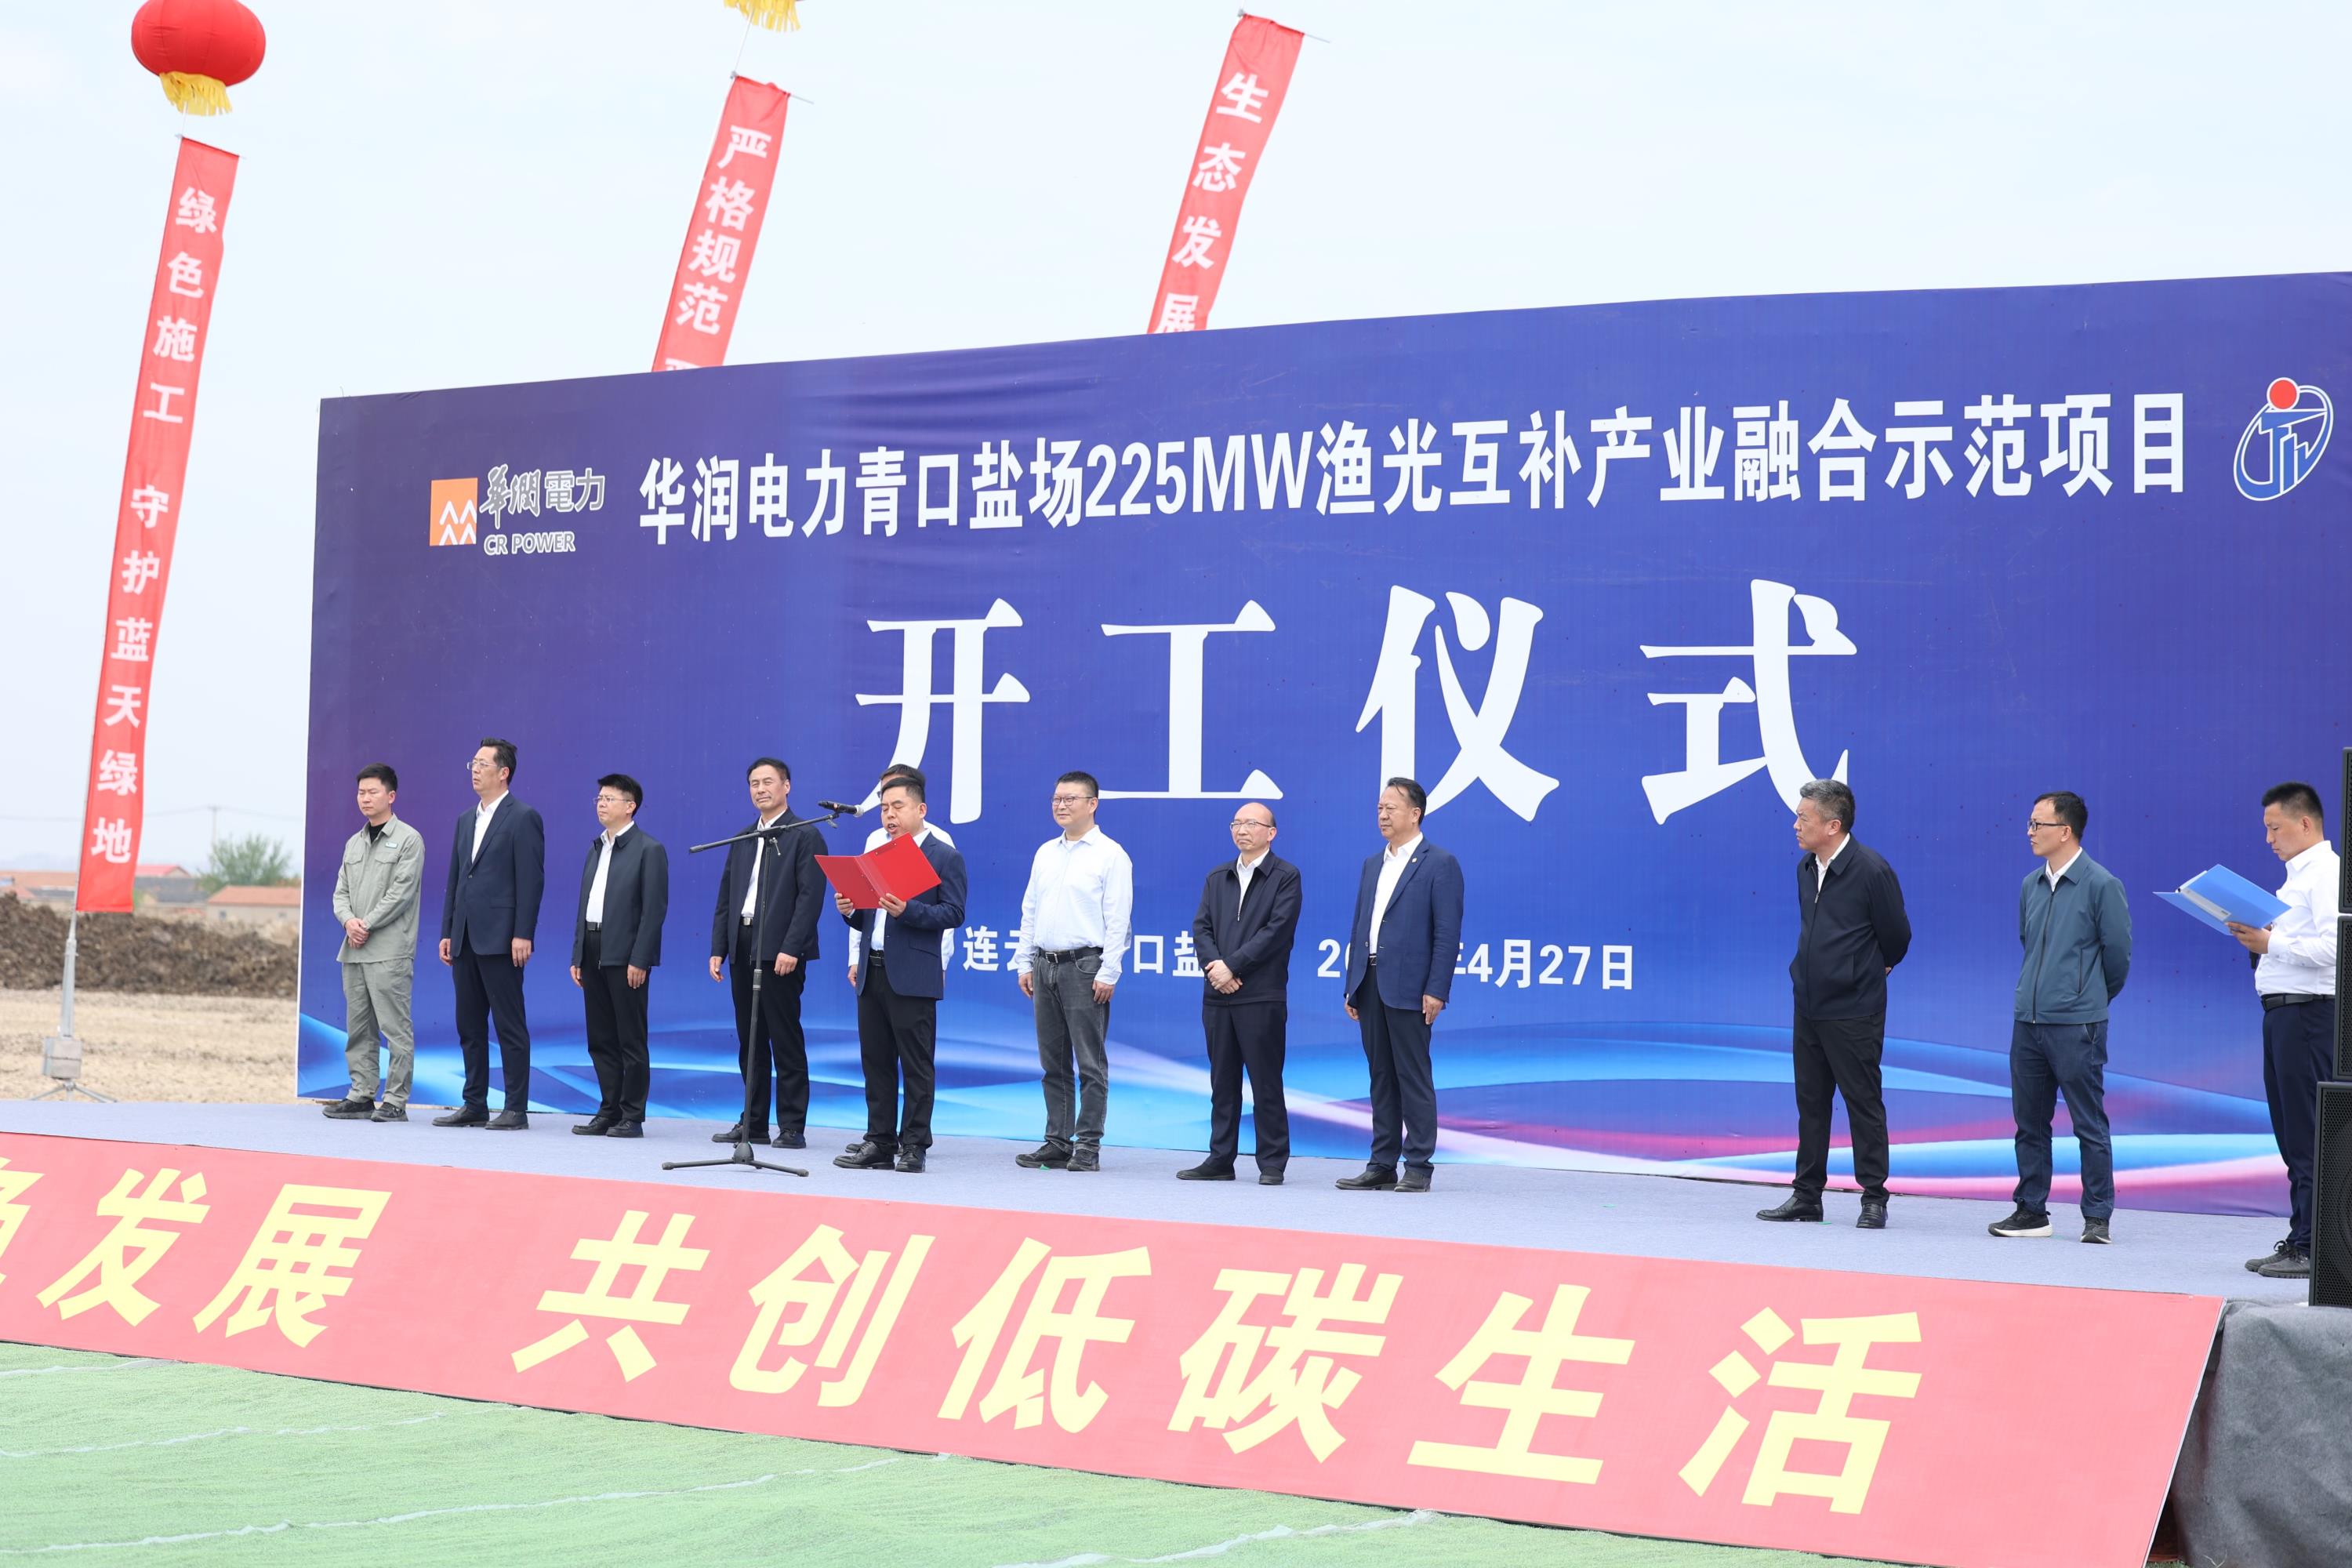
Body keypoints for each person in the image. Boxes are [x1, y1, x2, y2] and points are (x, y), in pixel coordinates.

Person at [1759, 778, 1911, 1228]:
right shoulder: (1806, 868)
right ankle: (1807, 1195)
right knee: (1811, 1102)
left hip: (1855, 1008)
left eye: (1804, 818)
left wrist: (1867, 970)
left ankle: (1874, 1197)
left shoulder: (1871, 871)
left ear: (1833, 825)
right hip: (1808, 1004)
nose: (1796, 825)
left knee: (1863, 1101)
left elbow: (1897, 936)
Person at [1988, 791, 2132, 1243]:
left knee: (2089, 1123)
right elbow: (2027, 942)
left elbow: (2118, 956)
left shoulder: (2101, 884)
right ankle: (2031, 1210)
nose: (2030, 832)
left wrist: (2085, 997)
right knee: (2029, 1123)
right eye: (2030, 824)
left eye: (2039, 824)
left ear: (2065, 831)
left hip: (2077, 1026)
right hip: (2028, 1023)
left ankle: (2097, 1217)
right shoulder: (2030, 884)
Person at [2228, 781, 2341, 1280]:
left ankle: (2314, 1245)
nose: (2269, 839)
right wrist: (2262, 941)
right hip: (2283, 1015)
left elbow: (2337, 948)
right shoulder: (2297, 878)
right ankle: (2301, 1237)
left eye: (2275, 828)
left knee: (2308, 1132)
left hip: (2309, 1016)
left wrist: (2271, 943)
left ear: (2305, 823)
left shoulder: (2327, 873)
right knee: (2292, 1131)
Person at [1337, 777, 1464, 1194]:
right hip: (1370, 981)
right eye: (1379, 808)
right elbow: (1361, 926)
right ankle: (1381, 1163)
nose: (1383, 815)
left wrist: (1437, 989)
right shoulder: (1373, 864)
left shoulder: (1439, 863)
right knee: (1380, 1076)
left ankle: (1419, 1166)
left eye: (1391, 808)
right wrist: (1353, 983)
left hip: (1411, 987)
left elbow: (1447, 934)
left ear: (1415, 813)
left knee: (1412, 1075)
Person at [835, 773, 967, 1172]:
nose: (889, 816)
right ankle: (879, 1141)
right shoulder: (876, 852)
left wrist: (909, 910)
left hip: (913, 973)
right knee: (875, 1062)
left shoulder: (943, 855)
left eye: (898, 807)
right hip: (873, 970)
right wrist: (850, 911)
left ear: (920, 809)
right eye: (884, 809)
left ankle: (914, 1145)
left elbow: (954, 913)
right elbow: (869, 918)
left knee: (916, 1064)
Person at [1010, 771, 1134, 1173]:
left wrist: (1109, 971)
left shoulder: (1111, 855)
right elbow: (1030, 909)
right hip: (1044, 963)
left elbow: (1119, 920)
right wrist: (1024, 961)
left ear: (1093, 804)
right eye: (1056, 799)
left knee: (1090, 1064)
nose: (1061, 805)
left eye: (1070, 799)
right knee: (1053, 1062)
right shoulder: (1046, 852)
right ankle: (1057, 1141)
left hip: (1085, 966)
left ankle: (1088, 1145)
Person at [707, 758, 826, 1149]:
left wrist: (792, 947)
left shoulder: (804, 835)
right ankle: (753, 1122)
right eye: (754, 783)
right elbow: (727, 897)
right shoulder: (744, 837)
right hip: (743, 943)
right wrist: (719, 947)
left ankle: (791, 1126)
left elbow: (810, 899)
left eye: (768, 782)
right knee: (750, 1038)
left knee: (784, 1037)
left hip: (781, 951)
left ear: (786, 786)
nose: (761, 789)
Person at [1180, 801, 1300, 1185]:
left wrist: (1232, 966)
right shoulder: (1218, 876)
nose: (1242, 830)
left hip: (1261, 995)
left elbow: (1276, 932)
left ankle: (1272, 1162)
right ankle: (1220, 1159)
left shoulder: (1285, 876)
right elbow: (1202, 928)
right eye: (1236, 823)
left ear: (1271, 833)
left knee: (1266, 1081)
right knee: (1222, 1081)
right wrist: (1216, 968)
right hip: (1218, 994)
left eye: (1251, 823)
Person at [435, 738, 545, 1130]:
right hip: (465, 936)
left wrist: (523, 933)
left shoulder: (523, 817)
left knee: (509, 1025)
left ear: (504, 772)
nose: (475, 770)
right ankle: (474, 1103)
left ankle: (515, 1108)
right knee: (469, 1024)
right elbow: (456, 879)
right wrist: (448, 929)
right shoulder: (467, 819)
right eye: (473, 763)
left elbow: (530, 881)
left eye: (483, 764)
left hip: (502, 939)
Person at [569, 774, 667, 1139]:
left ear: (630, 806)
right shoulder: (596, 848)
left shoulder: (648, 849)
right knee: (600, 1037)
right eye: (599, 798)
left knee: (630, 1038)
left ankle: (632, 1114)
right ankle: (608, 1109)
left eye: (609, 798)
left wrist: (640, 959)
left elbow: (653, 911)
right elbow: (585, 906)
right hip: (593, 949)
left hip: (625, 955)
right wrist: (578, 953)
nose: (601, 803)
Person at [325, 763, 424, 1122]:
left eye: (373, 792)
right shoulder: (353, 843)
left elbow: (401, 893)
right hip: (354, 949)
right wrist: (348, 921)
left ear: (391, 796)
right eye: (361, 793)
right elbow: (340, 893)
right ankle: (361, 1094)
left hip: (389, 951)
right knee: (359, 1028)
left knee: (395, 1028)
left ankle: (395, 1100)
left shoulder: (409, 840)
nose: (365, 798)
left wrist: (365, 923)